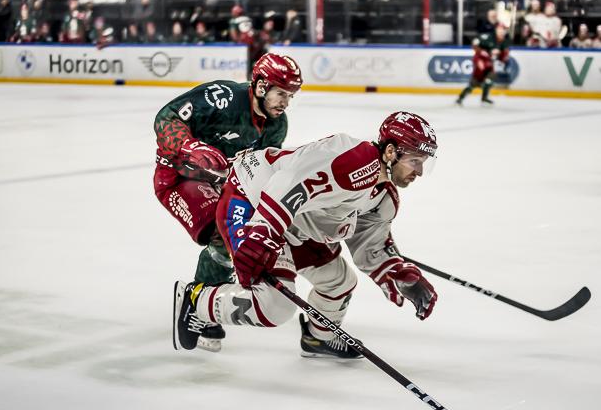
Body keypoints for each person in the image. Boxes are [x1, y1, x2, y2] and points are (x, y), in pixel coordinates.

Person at [173, 112, 439, 358]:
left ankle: (318, 338)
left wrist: (397, 272)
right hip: (250, 199)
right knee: (275, 306)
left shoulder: (383, 195)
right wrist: (263, 232)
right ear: (391, 151)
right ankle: (196, 300)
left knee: (339, 281)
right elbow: (288, 182)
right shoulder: (355, 160)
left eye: (423, 163)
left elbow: (371, 247)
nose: (419, 171)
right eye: (415, 160)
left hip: (293, 222)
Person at [155, 53, 303, 351]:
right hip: (178, 178)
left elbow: (261, 170)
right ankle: (196, 303)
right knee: (220, 234)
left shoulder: (276, 126)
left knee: (238, 232)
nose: (286, 102)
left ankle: (203, 302)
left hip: (225, 184)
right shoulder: (222, 98)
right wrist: (189, 146)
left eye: (291, 95)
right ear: (261, 86)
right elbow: (166, 118)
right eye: (281, 93)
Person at [456, 23, 510, 106]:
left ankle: (484, 98)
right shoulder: (488, 37)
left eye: (503, 30)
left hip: (490, 64)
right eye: (500, 29)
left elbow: (503, 57)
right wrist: (480, 54)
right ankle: (460, 98)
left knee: (489, 80)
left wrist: (502, 56)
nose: (501, 31)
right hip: (481, 61)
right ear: (496, 30)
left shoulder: (505, 42)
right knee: (473, 84)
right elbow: (475, 43)